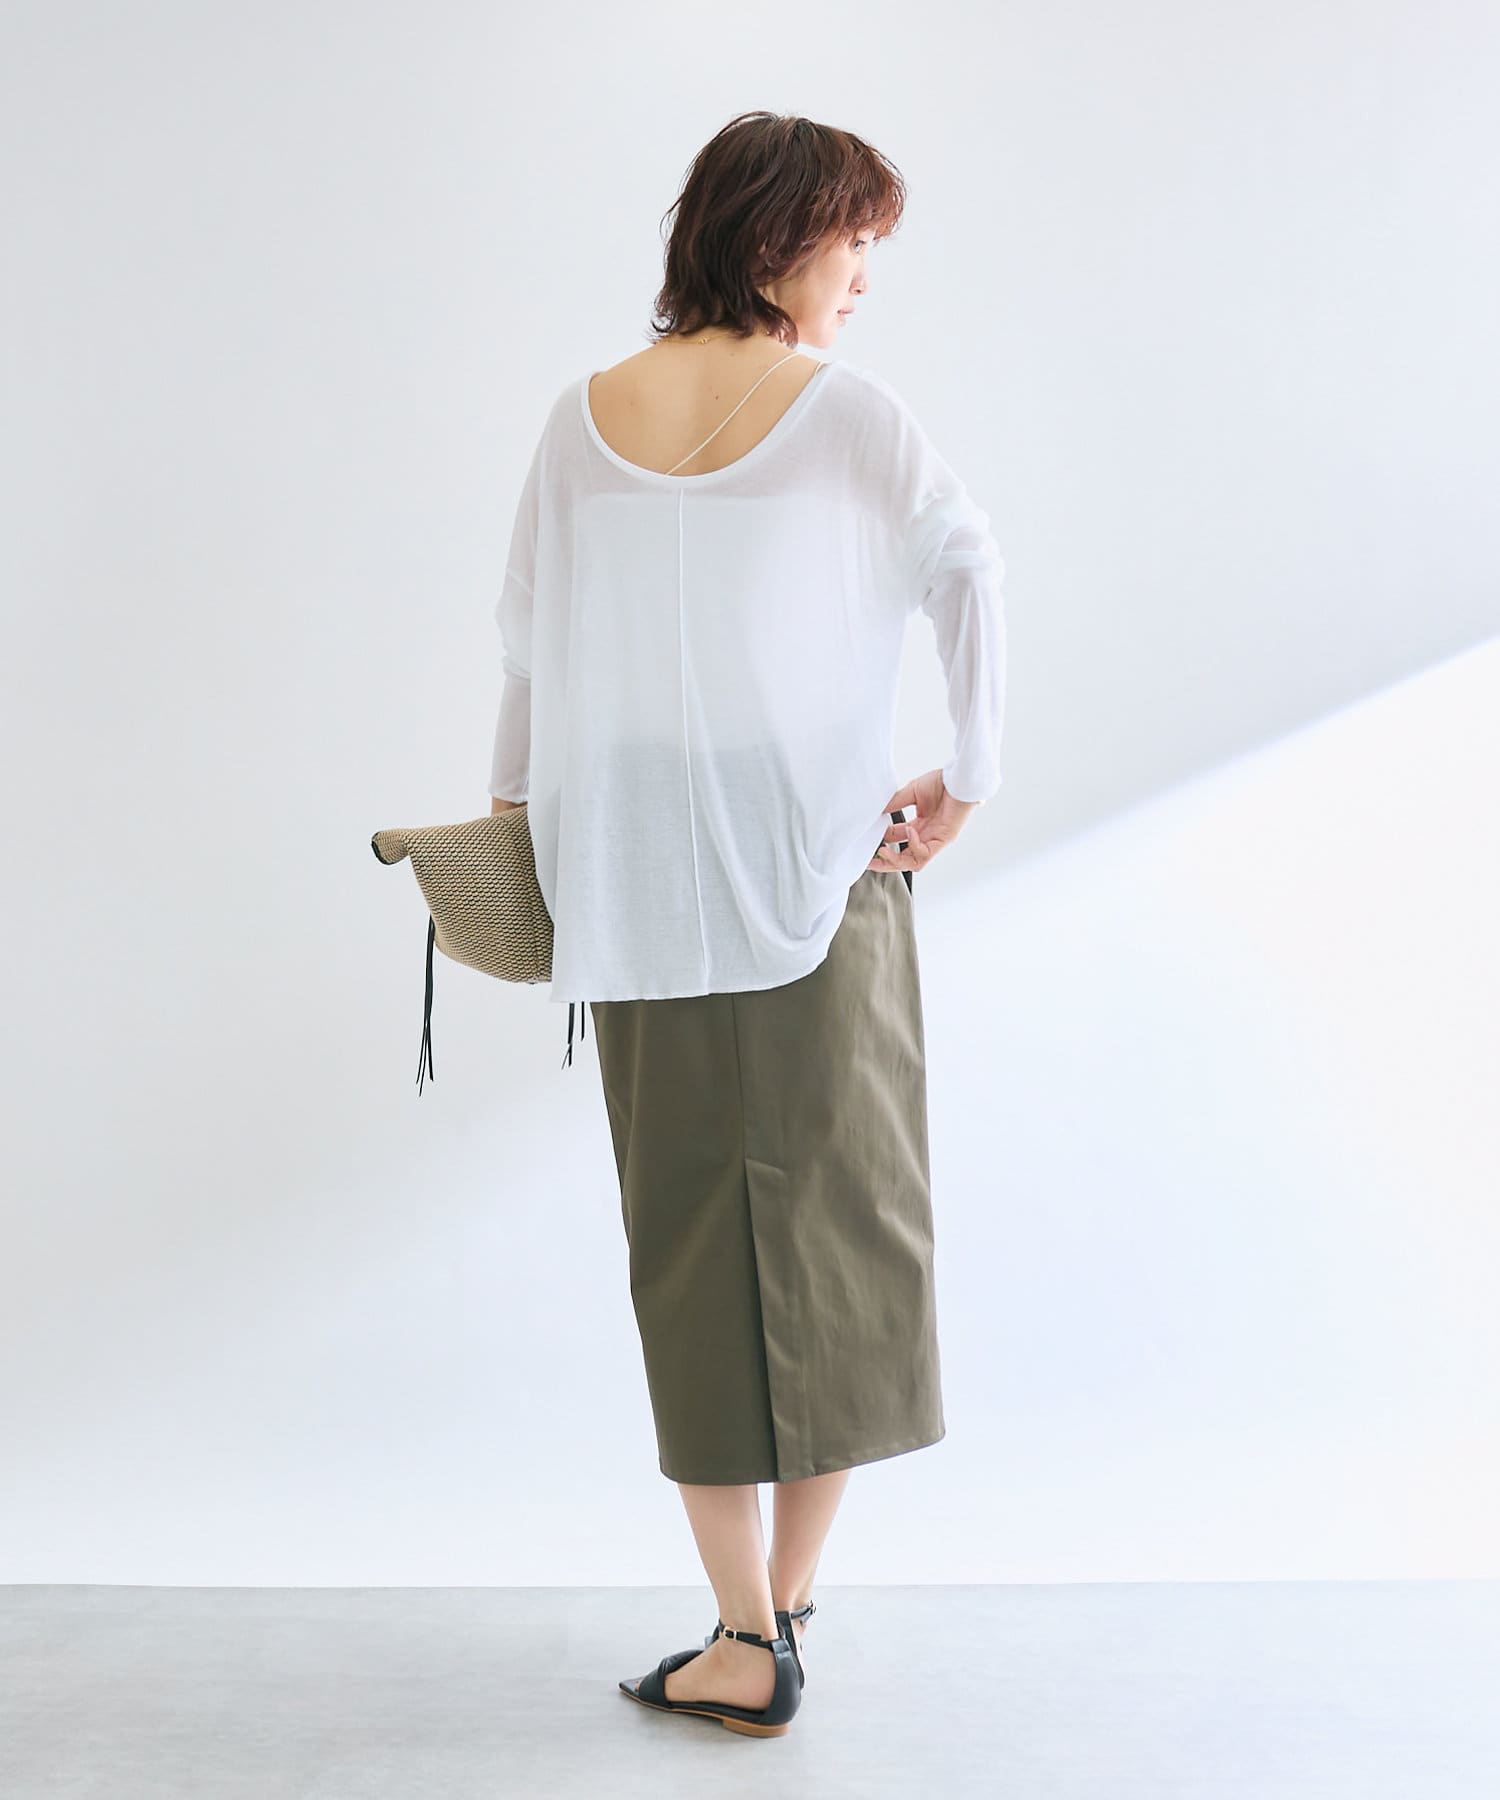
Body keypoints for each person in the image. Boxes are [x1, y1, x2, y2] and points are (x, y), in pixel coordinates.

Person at [487, 110, 1007, 1737]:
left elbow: (527, 650)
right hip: (817, 872)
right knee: (848, 1235)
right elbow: (970, 566)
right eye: (856, 241)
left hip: (636, 883)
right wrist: (971, 774)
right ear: (779, 237)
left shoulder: (582, 419)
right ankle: (779, 1610)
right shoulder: (844, 412)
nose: (865, 278)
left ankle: (743, 1629)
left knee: (690, 1250)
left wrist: (511, 821)